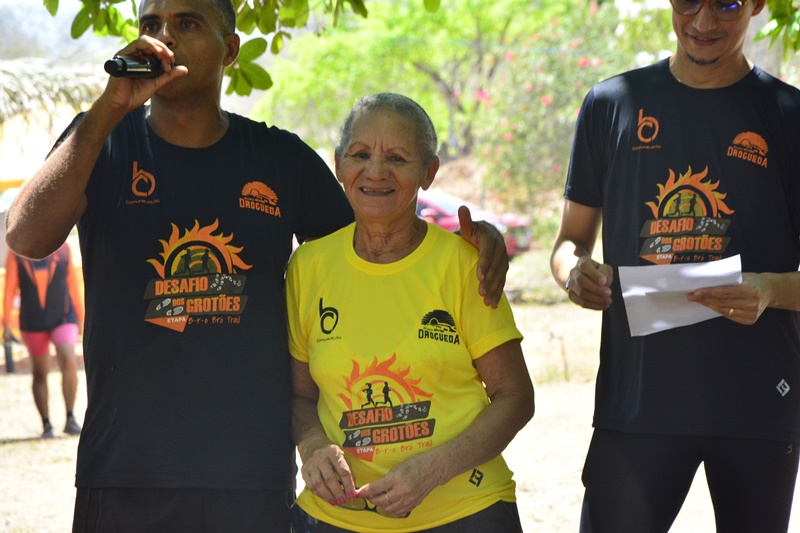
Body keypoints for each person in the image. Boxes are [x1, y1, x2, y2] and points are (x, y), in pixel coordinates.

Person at [3, 1, 510, 530]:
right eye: (151, 25)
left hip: (250, 474)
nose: (163, 37)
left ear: (230, 50)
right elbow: (26, 235)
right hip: (127, 471)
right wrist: (108, 110)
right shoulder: (100, 140)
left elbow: (379, 246)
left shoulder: (279, 158)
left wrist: (479, 241)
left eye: (187, 23)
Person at [550, 0, 800, 531]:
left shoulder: (788, 116)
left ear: (757, 4)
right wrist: (575, 274)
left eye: (727, 4)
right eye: (689, 2)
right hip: (637, 402)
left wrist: (769, 290)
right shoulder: (612, 103)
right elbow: (568, 243)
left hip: (757, 405)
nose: (704, 23)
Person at [287, 93, 535, 533]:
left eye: (398, 158)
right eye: (360, 155)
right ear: (340, 164)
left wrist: (433, 469)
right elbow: (300, 395)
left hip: (464, 511)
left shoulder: (463, 264)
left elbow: (515, 397)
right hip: (337, 516)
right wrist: (311, 443)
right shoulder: (309, 267)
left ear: (429, 172)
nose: (376, 171)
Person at [2, 242, 84, 439]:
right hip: (32, 321)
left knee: (69, 359)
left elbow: (72, 284)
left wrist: (82, 317)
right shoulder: (18, 252)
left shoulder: (64, 250)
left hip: (64, 317)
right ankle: (46, 424)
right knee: (40, 372)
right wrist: (6, 323)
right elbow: (10, 287)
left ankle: (70, 418)